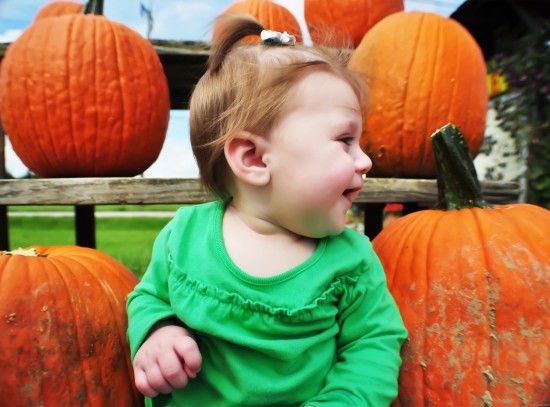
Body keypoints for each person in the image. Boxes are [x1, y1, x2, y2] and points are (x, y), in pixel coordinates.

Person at [126, 13, 407, 407]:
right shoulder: (185, 236)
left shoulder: (351, 260)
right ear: (255, 159)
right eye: (345, 140)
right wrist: (159, 332)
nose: (365, 161)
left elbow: (373, 344)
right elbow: (149, 298)